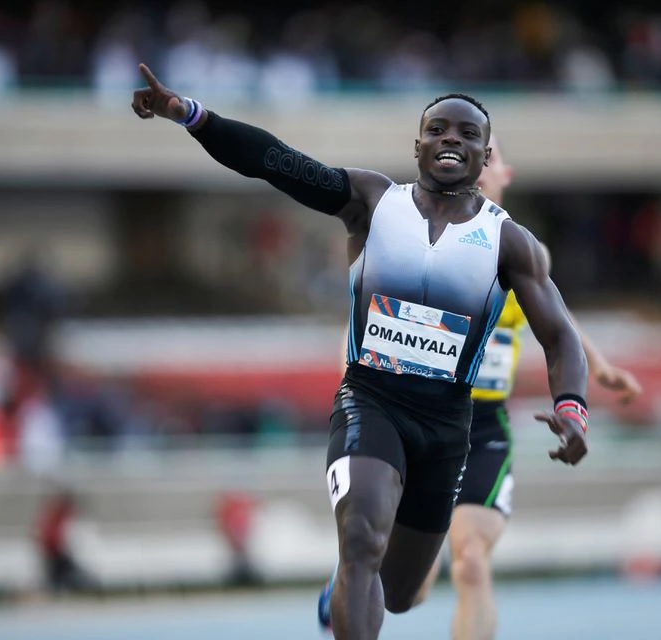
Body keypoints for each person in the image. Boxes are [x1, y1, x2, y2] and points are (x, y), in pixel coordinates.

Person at [132, 64, 590, 640]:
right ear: (417, 145)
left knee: (399, 591)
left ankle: (350, 589)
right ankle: (352, 580)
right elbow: (276, 162)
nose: (452, 139)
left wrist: (573, 409)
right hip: (370, 402)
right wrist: (191, 115)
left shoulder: (509, 241)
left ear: (484, 153)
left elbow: (562, 336)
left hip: (447, 425)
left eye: (468, 134)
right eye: (439, 129)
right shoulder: (374, 201)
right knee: (361, 542)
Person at [318, 134, 642, 637]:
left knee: (470, 560)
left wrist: (595, 367)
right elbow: (370, 316)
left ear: (501, 174)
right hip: (414, 418)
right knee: (407, 589)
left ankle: (362, 570)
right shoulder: (415, 237)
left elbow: (557, 323)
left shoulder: (517, 248)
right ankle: (356, 573)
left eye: (488, 162)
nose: (474, 170)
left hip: (482, 430)